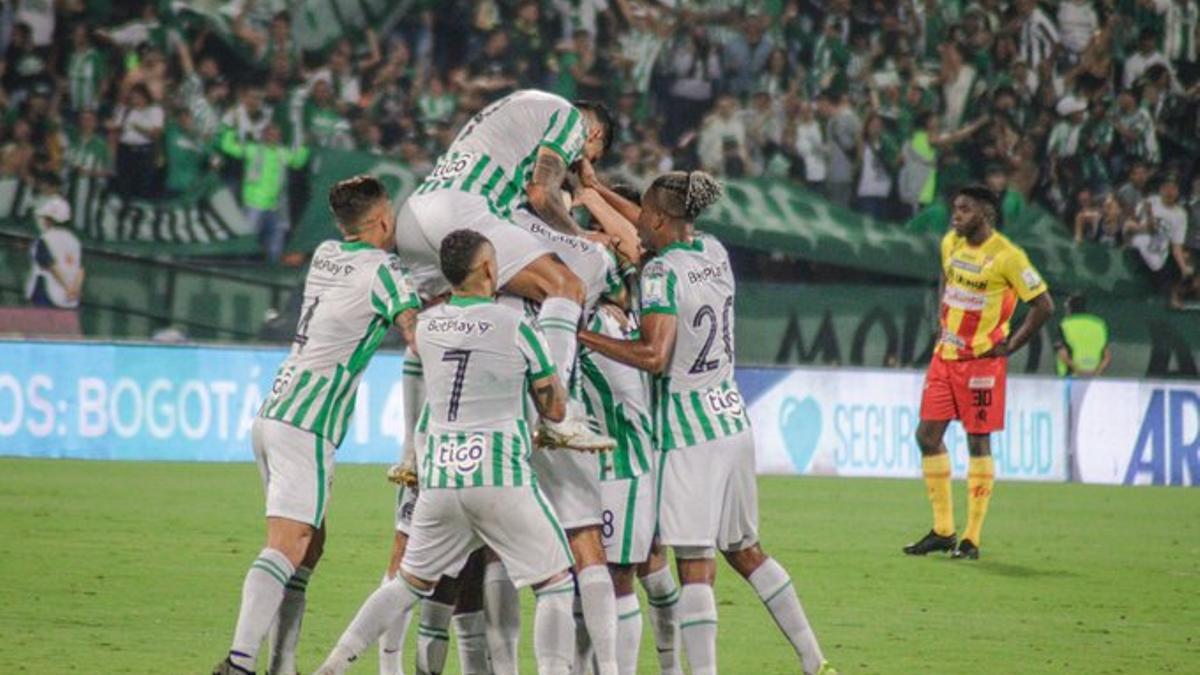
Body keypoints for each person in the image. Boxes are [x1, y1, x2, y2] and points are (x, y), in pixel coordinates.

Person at [578, 171, 836, 675]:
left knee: (695, 565)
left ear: (656, 217)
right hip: (731, 420)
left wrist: (582, 338)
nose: (637, 228)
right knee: (746, 550)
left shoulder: (658, 276)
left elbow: (654, 354)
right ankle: (814, 661)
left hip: (688, 431)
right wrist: (595, 190)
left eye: (643, 217)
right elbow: (649, 228)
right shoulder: (714, 251)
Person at [314, 229, 578, 675]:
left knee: (407, 585)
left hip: (441, 479)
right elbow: (554, 407)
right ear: (489, 269)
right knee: (555, 583)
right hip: (499, 477)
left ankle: (334, 665)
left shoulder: (427, 327)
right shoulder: (517, 327)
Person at [212, 175, 421, 675]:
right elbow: (416, 334)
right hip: (308, 421)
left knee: (310, 545)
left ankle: (282, 666)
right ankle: (240, 663)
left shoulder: (325, 253)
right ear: (383, 220)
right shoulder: (385, 271)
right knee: (288, 544)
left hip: (275, 409)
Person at [393, 89, 618, 451]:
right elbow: (541, 194)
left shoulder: (519, 107)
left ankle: (412, 450)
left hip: (415, 217)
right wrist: (580, 235)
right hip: (462, 210)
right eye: (588, 159)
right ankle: (557, 417)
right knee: (564, 286)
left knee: (434, 323)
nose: (577, 169)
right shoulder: (570, 119)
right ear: (595, 136)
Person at [905, 185, 1054, 561]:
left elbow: (1043, 306)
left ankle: (970, 538)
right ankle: (942, 530)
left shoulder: (1008, 256)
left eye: (965, 209)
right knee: (927, 435)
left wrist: (1011, 345)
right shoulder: (950, 244)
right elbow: (946, 276)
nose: (956, 215)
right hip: (945, 356)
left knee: (977, 442)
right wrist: (941, 313)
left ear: (985, 214)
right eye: (955, 207)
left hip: (981, 363)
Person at [219, 123, 310, 263]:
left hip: (275, 206)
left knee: (275, 245)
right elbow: (228, 147)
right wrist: (230, 129)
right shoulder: (253, 149)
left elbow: (297, 162)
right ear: (263, 135)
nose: (274, 137)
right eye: (270, 134)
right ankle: (239, 269)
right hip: (254, 204)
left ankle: (271, 273)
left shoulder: (282, 153)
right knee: (246, 243)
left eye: (277, 135)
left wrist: (304, 146)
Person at [25, 175, 84, 310]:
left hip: (46, 293)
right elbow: (80, 269)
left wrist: (67, 287)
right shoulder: (74, 240)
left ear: (49, 220)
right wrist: (75, 289)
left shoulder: (45, 239)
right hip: (68, 299)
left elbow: (50, 265)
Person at [1055, 295, 1112, 377]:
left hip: (1070, 377)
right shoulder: (1099, 325)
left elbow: (1062, 354)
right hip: (1094, 377)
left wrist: (1079, 371)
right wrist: (1097, 372)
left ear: (1069, 309)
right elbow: (1107, 356)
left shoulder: (1064, 325)